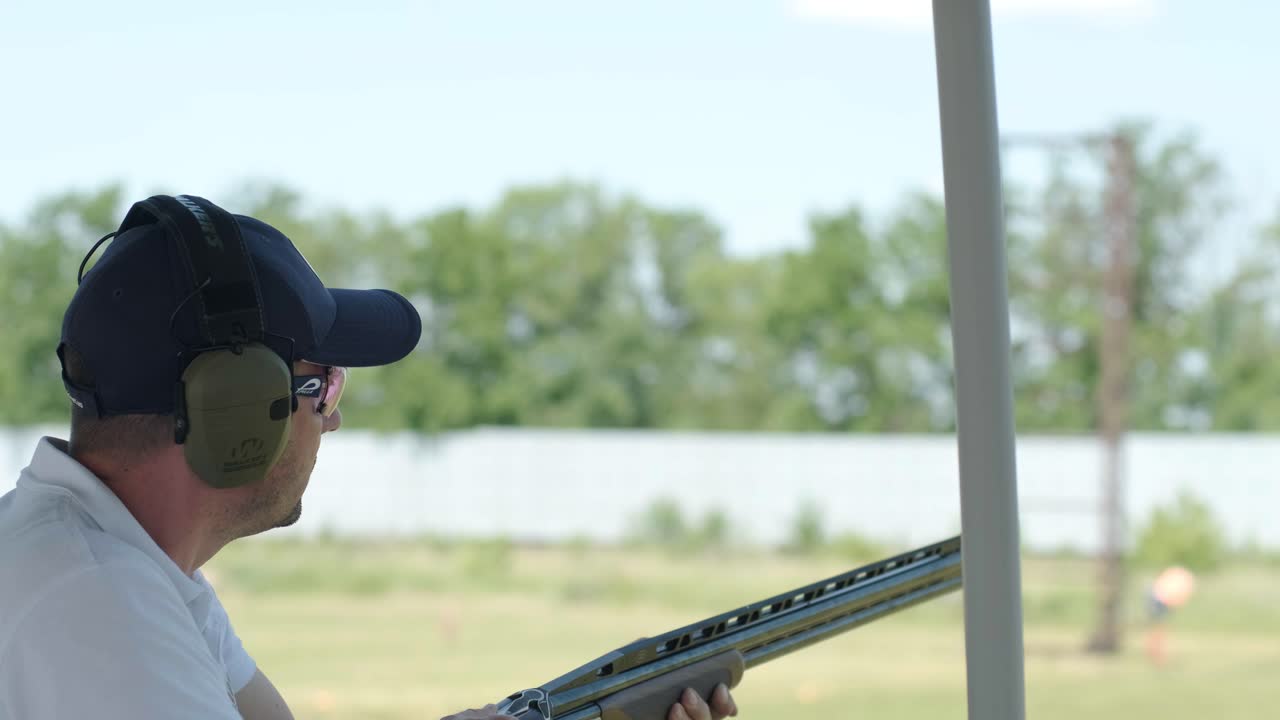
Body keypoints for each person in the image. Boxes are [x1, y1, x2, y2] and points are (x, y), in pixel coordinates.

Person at [0, 195, 739, 720]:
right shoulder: (100, 607)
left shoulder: (127, 564)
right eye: (320, 387)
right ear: (233, 408)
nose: (335, 417)